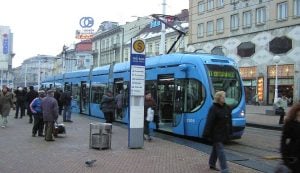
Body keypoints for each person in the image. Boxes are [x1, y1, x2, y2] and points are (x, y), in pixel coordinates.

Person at [203, 91, 232, 173]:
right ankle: (225, 169)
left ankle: (211, 163)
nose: (224, 98)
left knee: (216, 149)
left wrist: (230, 131)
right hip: (216, 133)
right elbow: (210, 122)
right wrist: (206, 134)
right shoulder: (213, 108)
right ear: (218, 98)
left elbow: (229, 121)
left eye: (224, 97)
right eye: (223, 97)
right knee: (221, 150)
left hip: (223, 132)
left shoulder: (227, 107)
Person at [280, 103, 300, 172]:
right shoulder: (290, 123)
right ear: (296, 112)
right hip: (293, 155)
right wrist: (284, 156)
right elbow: (283, 140)